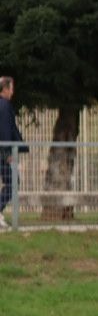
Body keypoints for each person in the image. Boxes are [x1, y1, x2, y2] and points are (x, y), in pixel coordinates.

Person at [0, 75, 28, 223]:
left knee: (11, 182)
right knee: (12, 182)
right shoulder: (4, 106)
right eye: (11, 88)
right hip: (2, 153)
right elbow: (4, 131)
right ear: (5, 89)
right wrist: (7, 153)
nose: (13, 92)